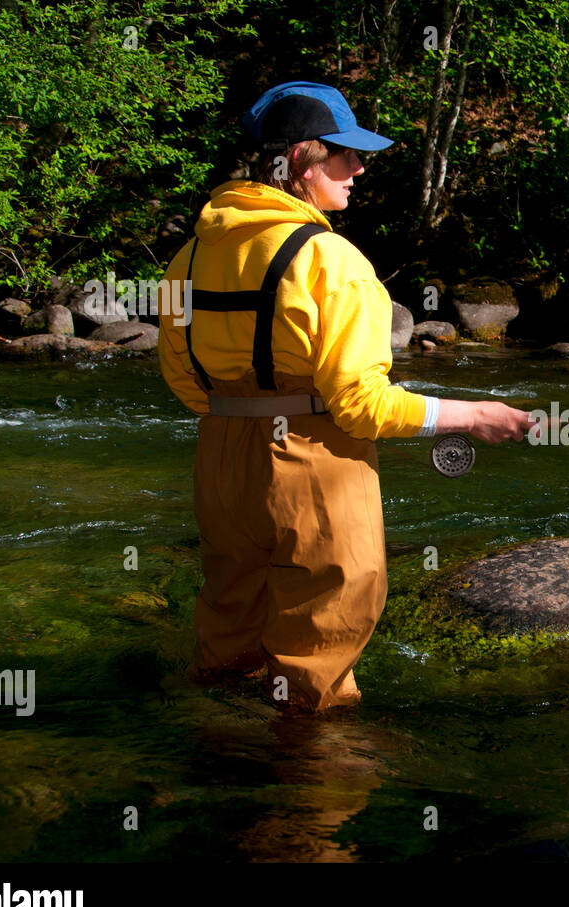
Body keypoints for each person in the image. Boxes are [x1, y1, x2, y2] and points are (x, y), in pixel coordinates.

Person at [157, 81, 531, 713]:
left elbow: (183, 380)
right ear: (303, 157)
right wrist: (473, 416)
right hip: (314, 470)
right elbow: (362, 407)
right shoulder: (334, 261)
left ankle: (215, 772)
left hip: (220, 462)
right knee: (317, 671)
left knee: (227, 644)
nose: (359, 168)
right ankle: (307, 797)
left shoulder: (187, 258)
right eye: (345, 154)